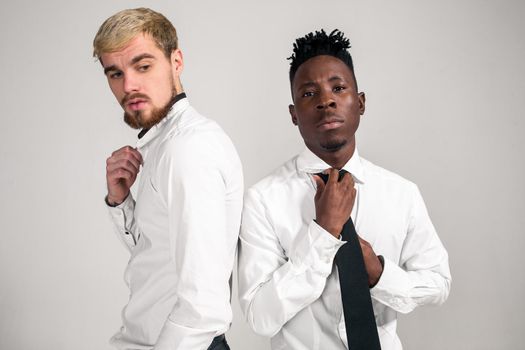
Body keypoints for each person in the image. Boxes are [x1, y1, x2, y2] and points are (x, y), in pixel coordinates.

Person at [238, 29, 451, 350]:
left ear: (360, 102)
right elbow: (260, 316)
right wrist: (322, 235)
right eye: (309, 94)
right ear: (293, 114)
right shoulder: (263, 200)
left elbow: (438, 283)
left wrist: (380, 274)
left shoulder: (401, 193)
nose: (326, 100)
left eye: (338, 88)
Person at [93, 8, 243, 350]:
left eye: (143, 66)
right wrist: (121, 203)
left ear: (176, 62)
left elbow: (202, 307)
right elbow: (159, 256)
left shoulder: (187, 148)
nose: (128, 85)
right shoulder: (163, 144)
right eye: (114, 73)